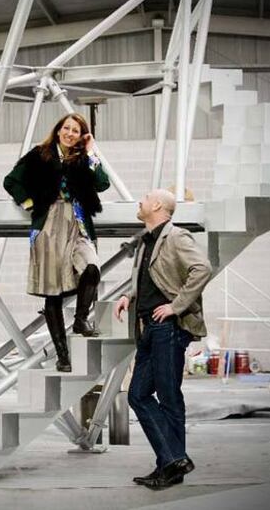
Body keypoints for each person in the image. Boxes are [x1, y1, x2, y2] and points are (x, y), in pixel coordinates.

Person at [114, 189, 212, 490]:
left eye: (144, 198)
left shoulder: (177, 237)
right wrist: (129, 295)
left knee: (169, 398)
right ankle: (173, 460)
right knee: (137, 395)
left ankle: (170, 467)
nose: (139, 202)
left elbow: (202, 269)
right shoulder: (147, 240)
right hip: (147, 328)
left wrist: (176, 306)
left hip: (168, 328)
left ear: (157, 205)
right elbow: (154, 278)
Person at [4, 113, 110, 372]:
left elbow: (103, 184)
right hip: (49, 225)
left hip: (78, 222)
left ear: (81, 135)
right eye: (67, 128)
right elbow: (11, 181)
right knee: (53, 293)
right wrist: (29, 204)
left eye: (76, 130)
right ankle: (63, 356)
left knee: (92, 267)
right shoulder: (40, 154)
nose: (70, 133)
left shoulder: (84, 159)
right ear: (58, 130)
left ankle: (80, 319)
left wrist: (91, 151)